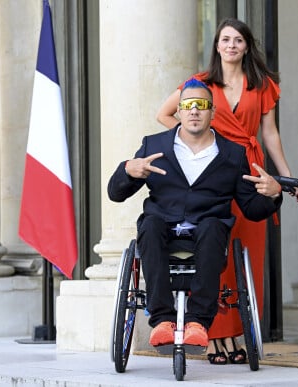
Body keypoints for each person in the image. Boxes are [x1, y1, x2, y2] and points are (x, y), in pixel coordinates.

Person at [156, 17, 294, 365]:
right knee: (216, 254)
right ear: (216, 45)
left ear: (247, 46)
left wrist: (286, 178)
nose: (231, 45)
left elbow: (270, 134)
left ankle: (241, 335)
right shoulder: (200, 83)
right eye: (225, 40)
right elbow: (164, 114)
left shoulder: (262, 84)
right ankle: (215, 336)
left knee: (246, 254)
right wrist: (198, 141)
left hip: (248, 172)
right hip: (211, 171)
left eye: (238, 40)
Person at [108, 78, 283, 349]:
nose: (194, 111)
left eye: (201, 105)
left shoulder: (232, 154)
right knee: (150, 225)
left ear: (213, 112)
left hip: (208, 234)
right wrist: (128, 171)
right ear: (178, 111)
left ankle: (198, 322)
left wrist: (273, 194)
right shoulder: (154, 146)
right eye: (188, 105)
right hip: (162, 229)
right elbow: (115, 194)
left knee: (214, 226)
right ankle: (163, 321)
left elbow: (252, 209)